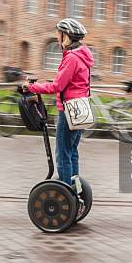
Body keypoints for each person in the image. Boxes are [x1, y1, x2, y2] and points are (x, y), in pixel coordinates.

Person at [23, 18, 94, 186]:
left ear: (66, 36)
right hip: (81, 109)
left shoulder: (72, 58)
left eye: (59, 34)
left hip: (68, 111)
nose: (57, 37)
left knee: (62, 154)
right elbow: (72, 82)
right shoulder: (82, 56)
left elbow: (57, 86)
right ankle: (74, 191)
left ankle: (67, 194)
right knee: (72, 152)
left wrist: (32, 87)